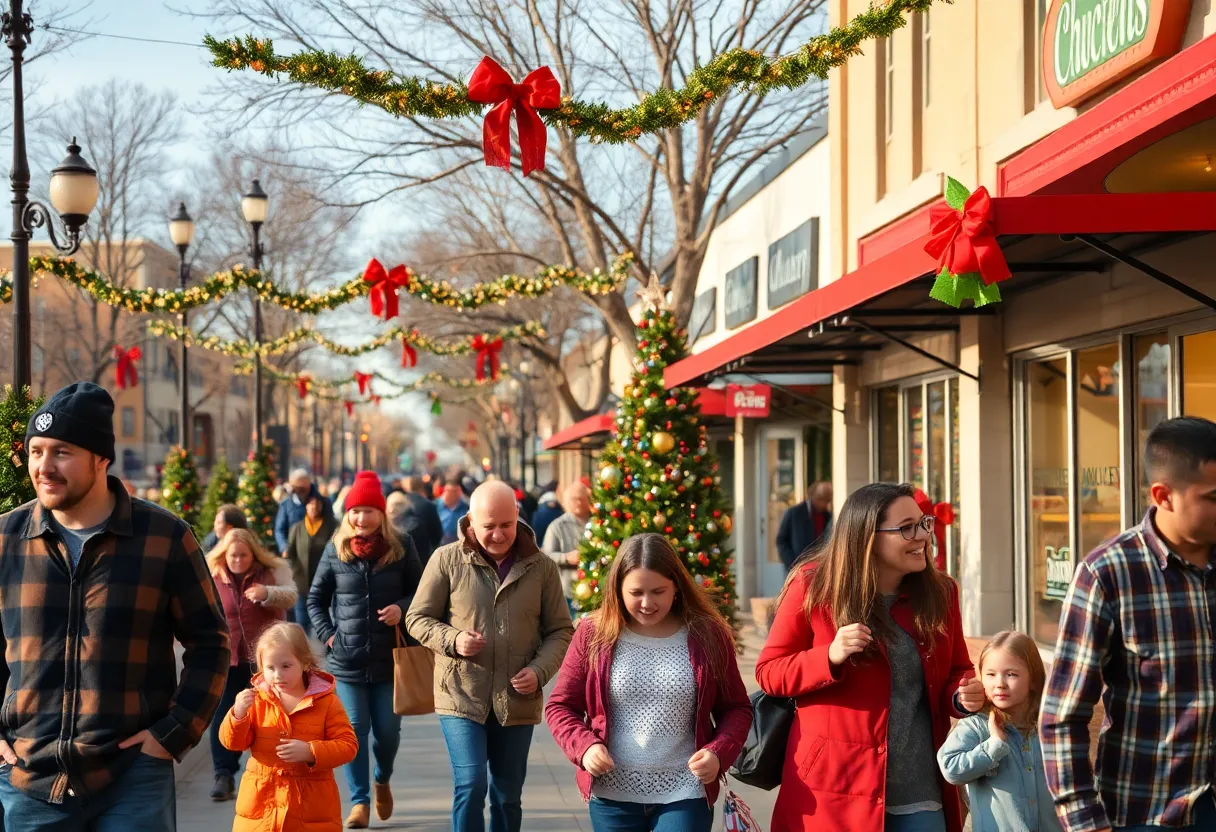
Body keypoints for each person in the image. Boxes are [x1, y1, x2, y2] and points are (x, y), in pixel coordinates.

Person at [0, 381, 230, 830]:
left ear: (101, 460)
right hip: (29, 778)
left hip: (132, 775)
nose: (44, 466)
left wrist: (174, 732)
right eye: (36, 451)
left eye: (62, 452)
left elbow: (211, 643)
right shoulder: (6, 540)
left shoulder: (164, 538)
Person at [756, 482, 982, 832]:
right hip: (834, 788)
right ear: (867, 537)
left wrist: (961, 695)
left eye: (924, 523)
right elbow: (770, 672)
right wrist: (829, 656)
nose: (922, 536)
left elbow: (957, 669)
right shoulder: (814, 585)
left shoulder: (941, 593)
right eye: (906, 528)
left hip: (921, 787)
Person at [1042, 416, 1216, 832]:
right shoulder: (1108, 573)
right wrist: (1085, 821)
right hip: (1148, 812)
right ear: (1164, 496)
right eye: (1213, 496)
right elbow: (1062, 716)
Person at [545, 533, 752, 831]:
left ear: (677, 588)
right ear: (618, 589)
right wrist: (585, 747)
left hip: (686, 791)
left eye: (658, 591)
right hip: (611, 796)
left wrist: (718, 752)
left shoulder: (708, 634)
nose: (647, 603)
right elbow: (560, 706)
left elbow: (737, 708)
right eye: (636, 592)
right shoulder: (593, 633)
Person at [406, 481, 574, 832]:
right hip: (461, 694)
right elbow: (416, 619)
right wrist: (453, 639)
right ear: (470, 523)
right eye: (489, 527)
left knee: (507, 794)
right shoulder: (447, 560)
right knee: (471, 784)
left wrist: (539, 671)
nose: (498, 535)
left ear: (518, 518)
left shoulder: (540, 567)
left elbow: (560, 630)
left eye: (506, 525)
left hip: (517, 699)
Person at [308, 471, 423, 829]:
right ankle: (359, 801)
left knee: (387, 732)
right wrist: (329, 636)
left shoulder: (402, 547)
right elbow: (315, 599)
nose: (361, 518)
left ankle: (382, 778)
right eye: (355, 511)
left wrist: (402, 609)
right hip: (347, 661)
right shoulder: (334, 549)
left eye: (369, 511)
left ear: (381, 514)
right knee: (353, 730)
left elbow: (423, 594)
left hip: (392, 661)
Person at [219, 622, 359, 832]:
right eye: (270, 668)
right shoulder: (255, 701)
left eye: (286, 666)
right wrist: (237, 714)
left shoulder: (326, 702)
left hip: (310, 808)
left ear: (304, 663)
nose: (277, 675)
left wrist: (311, 751)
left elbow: (348, 745)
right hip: (262, 806)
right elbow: (233, 743)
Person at [206, 528, 298, 802]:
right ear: (224, 554)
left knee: (270, 716)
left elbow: (291, 595)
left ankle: (275, 770)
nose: (237, 560)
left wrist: (267, 593)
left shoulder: (270, 571)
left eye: (243, 555)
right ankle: (223, 773)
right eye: (233, 555)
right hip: (228, 659)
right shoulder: (213, 576)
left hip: (266, 663)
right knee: (226, 714)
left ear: (252, 554)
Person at [938, 631, 1060, 832]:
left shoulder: (1050, 728)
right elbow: (950, 768)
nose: (1000, 683)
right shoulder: (976, 726)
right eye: (991, 674)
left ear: (1034, 680)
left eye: (1011, 674)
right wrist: (994, 745)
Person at [286, 493, 338, 636]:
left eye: (317, 504)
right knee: (302, 621)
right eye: (310, 503)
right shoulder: (297, 528)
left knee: (324, 619)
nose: (314, 507)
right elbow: (290, 553)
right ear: (306, 506)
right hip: (301, 580)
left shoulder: (331, 526)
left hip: (325, 580)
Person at [542, 482, 592, 614]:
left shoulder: (598, 522)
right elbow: (545, 556)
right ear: (567, 502)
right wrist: (566, 558)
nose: (579, 503)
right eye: (574, 499)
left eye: (582, 499)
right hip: (569, 590)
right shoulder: (557, 526)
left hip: (596, 587)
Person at [775, 481, 833, 571]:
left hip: (820, 569)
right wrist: (793, 563)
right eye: (822, 499)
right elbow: (781, 541)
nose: (825, 504)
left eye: (828, 500)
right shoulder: (794, 513)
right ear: (813, 496)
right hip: (798, 569)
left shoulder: (828, 516)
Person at [275, 468, 330, 557]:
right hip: (293, 552)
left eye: (304, 488)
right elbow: (280, 529)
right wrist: (284, 547)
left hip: (318, 554)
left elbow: (330, 525)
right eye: (298, 487)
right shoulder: (286, 505)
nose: (302, 491)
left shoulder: (323, 502)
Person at [396, 476, 444, 565]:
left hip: (400, 554)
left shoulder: (399, 502)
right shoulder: (428, 505)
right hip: (423, 555)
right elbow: (437, 534)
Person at [435, 480, 470, 546]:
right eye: (447, 491)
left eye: (455, 492)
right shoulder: (435, 506)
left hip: (458, 547)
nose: (450, 494)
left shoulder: (466, 507)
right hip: (438, 546)